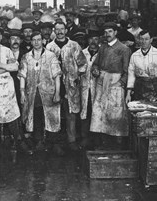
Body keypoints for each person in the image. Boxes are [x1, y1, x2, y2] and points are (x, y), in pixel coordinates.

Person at [0, 27, 30, 156]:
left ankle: (20, 142)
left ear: (2, 37)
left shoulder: (7, 50)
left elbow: (15, 67)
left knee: (12, 115)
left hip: (8, 88)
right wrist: (6, 68)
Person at [18, 31, 63, 154]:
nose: (36, 42)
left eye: (39, 40)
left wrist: (57, 93)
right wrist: (22, 93)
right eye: (34, 40)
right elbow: (22, 75)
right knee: (36, 116)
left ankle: (54, 143)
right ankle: (39, 142)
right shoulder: (26, 57)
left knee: (52, 118)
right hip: (33, 93)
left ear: (43, 41)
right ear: (31, 41)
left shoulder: (51, 56)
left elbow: (57, 76)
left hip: (49, 92)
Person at [47, 22, 88, 153]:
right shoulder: (49, 47)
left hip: (71, 86)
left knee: (71, 114)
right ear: (54, 30)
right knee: (55, 114)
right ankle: (56, 142)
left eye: (62, 29)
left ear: (66, 30)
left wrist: (77, 77)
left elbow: (83, 64)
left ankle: (71, 141)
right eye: (57, 29)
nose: (59, 32)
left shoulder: (74, 45)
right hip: (55, 85)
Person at [90, 22, 132, 145]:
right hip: (102, 82)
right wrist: (95, 70)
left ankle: (117, 142)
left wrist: (121, 84)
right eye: (105, 32)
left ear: (115, 33)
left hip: (116, 84)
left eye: (110, 31)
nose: (107, 34)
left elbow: (127, 71)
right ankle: (103, 141)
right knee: (100, 111)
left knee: (115, 113)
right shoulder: (103, 47)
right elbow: (96, 64)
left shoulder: (124, 49)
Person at [126, 30, 157, 102]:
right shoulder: (134, 55)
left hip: (156, 88)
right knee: (139, 111)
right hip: (139, 88)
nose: (143, 41)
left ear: (151, 40)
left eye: (146, 39)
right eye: (141, 39)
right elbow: (131, 74)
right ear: (138, 40)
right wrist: (128, 93)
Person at [80, 29, 101, 149]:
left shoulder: (102, 53)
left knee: (97, 113)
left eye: (96, 39)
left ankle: (97, 139)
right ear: (87, 40)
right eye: (91, 39)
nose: (93, 41)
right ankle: (85, 138)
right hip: (84, 88)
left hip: (98, 89)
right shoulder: (82, 53)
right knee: (85, 113)